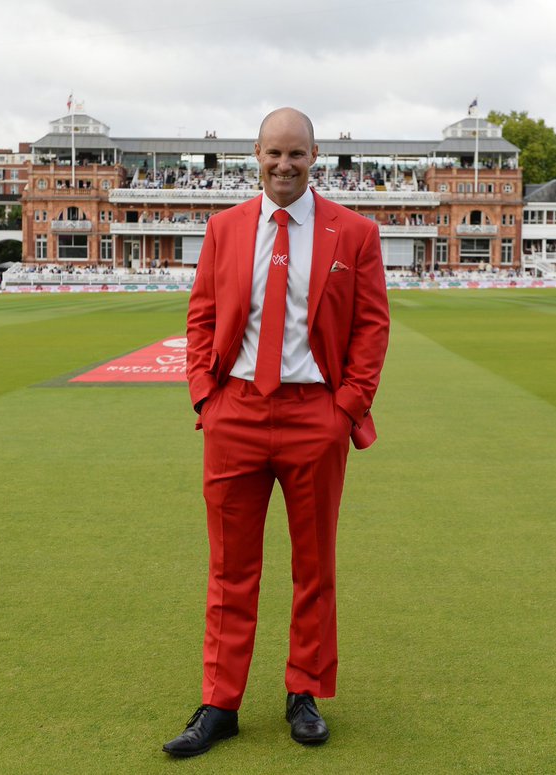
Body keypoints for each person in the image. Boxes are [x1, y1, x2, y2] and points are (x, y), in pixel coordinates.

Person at [164, 107, 389, 758]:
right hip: (234, 411)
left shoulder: (355, 233)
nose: (284, 165)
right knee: (230, 568)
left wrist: (347, 406)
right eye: (273, 153)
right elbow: (202, 313)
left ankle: (304, 692)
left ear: (315, 155)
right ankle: (220, 702)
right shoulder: (225, 228)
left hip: (313, 413)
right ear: (254, 155)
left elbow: (372, 327)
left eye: (297, 153)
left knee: (313, 565)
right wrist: (205, 394)